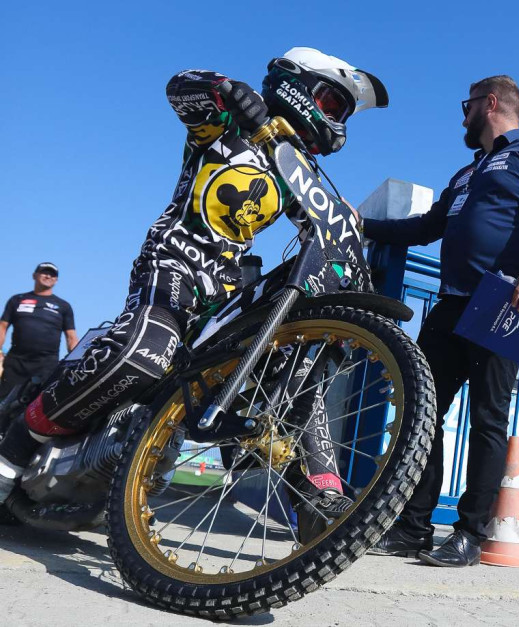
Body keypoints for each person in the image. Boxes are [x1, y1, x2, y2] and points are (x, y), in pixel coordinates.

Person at [0, 48, 389, 529]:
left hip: (222, 291)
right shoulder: (226, 128)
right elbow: (178, 89)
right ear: (298, 86)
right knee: (148, 350)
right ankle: (15, 446)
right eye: (332, 105)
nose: (335, 120)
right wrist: (224, 88)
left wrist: (345, 230)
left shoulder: (295, 171)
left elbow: (320, 229)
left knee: (291, 358)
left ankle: (317, 492)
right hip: (172, 264)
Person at [362, 75, 519, 567]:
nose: (462, 115)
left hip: (503, 301)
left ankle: (470, 532)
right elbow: (424, 228)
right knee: (421, 413)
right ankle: (412, 526)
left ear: (491, 103)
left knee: (487, 417)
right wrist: (361, 224)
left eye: (467, 104)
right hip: (450, 304)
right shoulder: (465, 174)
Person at [0, 263, 78, 402]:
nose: (48, 276)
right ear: (34, 275)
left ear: (56, 280)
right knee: (4, 403)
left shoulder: (63, 306)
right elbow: (2, 327)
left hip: (46, 365)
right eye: (44, 272)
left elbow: (71, 338)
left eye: (52, 274)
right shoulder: (16, 300)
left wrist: (76, 361)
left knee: (38, 406)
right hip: (16, 363)